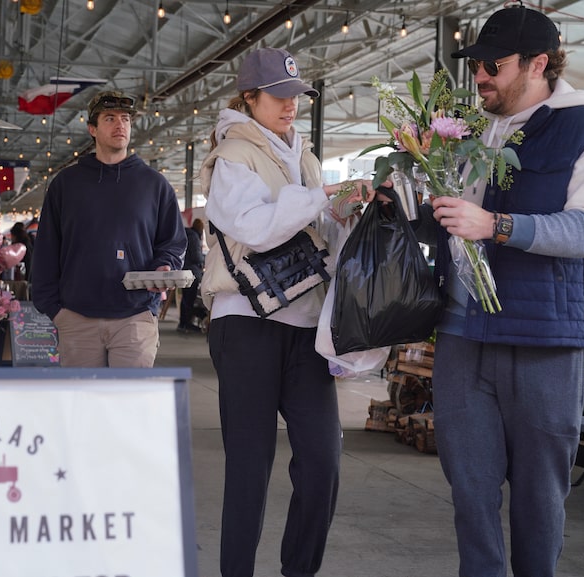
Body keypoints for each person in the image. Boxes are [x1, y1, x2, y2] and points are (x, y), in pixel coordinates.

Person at [422, 7, 584, 577]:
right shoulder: (471, 131)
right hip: (462, 335)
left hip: (544, 343)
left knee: (538, 501)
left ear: (539, 64)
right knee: (470, 494)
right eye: (476, 64)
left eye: (492, 65)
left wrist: (497, 224)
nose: (479, 76)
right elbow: (450, 225)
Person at [199, 47, 380, 577]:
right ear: (249, 98)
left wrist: (343, 210)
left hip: (305, 327)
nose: (290, 106)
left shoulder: (302, 155)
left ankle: (299, 570)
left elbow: (316, 234)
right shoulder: (233, 153)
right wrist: (320, 196)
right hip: (246, 323)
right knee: (249, 470)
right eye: (277, 96)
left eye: (295, 96)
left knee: (323, 463)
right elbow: (253, 227)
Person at [32, 90, 187, 368]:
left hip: (135, 317)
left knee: (129, 407)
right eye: (110, 118)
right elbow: (45, 250)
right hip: (77, 318)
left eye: (126, 119)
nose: (120, 125)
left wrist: (165, 265)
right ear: (92, 128)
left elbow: (173, 242)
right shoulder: (66, 184)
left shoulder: (155, 185)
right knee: (83, 407)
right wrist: (55, 310)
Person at [177, 217, 205, 333]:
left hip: (184, 271)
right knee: (190, 299)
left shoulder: (186, 234)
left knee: (186, 298)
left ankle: (183, 323)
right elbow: (196, 256)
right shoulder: (194, 237)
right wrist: (205, 259)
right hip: (192, 273)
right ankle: (186, 323)